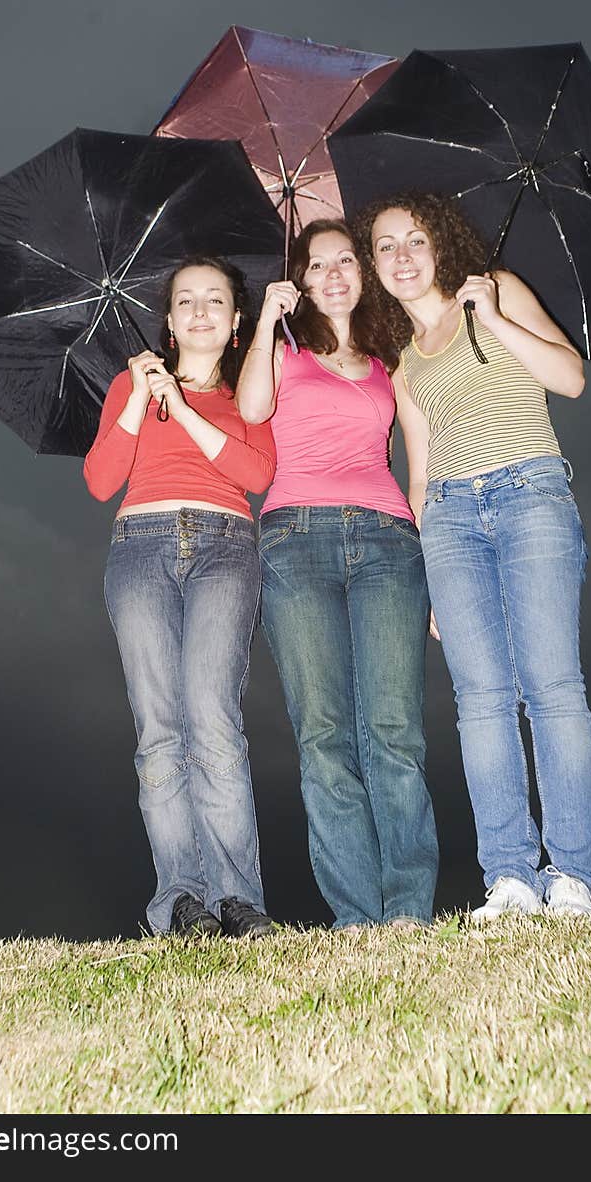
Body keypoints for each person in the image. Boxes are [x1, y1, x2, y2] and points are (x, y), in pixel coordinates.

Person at [355, 192, 591, 921]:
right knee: (481, 702)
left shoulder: (497, 292)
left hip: (530, 493)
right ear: (375, 267)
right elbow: (421, 472)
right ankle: (510, 878)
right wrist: (430, 565)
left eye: (414, 240)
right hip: (452, 520)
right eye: (385, 246)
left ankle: (572, 878)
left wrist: (492, 318)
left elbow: (571, 378)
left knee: (552, 686)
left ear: (441, 246)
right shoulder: (401, 363)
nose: (401, 256)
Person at [235, 218, 440, 933]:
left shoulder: (391, 361)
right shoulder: (284, 353)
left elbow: (416, 460)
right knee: (323, 735)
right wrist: (266, 317)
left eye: (347, 260)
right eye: (317, 264)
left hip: (388, 539)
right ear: (302, 280)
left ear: (362, 273)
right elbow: (252, 408)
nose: (334, 273)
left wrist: (430, 550)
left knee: (393, 730)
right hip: (296, 539)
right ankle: (357, 915)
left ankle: (409, 909)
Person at [83, 257, 277, 939]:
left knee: (213, 719)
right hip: (140, 546)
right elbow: (101, 480)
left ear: (234, 324)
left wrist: (188, 411)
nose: (199, 310)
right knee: (159, 731)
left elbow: (257, 470)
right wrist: (140, 396)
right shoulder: (128, 386)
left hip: (226, 543)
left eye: (215, 301)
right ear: (167, 321)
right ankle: (181, 900)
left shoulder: (249, 393)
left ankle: (237, 897)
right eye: (185, 300)